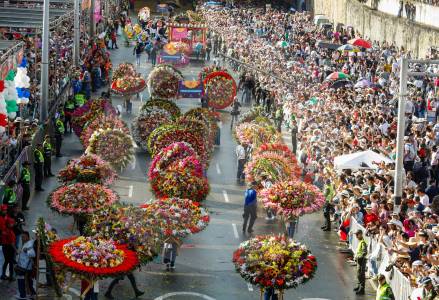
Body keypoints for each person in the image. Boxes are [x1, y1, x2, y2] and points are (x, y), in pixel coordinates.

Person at [15, 231, 36, 300]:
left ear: (27, 236)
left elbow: (32, 254)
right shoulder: (27, 243)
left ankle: (23, 295)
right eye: (21, 237)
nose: (22, 238)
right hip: (24, 265)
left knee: (21, 280)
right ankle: (31, 293)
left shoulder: (29, 244)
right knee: (29, 280)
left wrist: (26, 250)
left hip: (25, 266)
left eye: (23, 237)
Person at [1, 211, 16, 281]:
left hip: (4, 247)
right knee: (10, 262)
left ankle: (3, 274)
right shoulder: (10, 232)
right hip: (9, 248)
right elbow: (12, 243)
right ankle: (10, 276)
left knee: (6, 261)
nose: (13, 224)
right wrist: (16, 250)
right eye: (11, 223)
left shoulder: (4, 230)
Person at [353, 229, 367, 295]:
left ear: (360, 234)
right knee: (358, 274)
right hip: (359, 261)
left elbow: (364, 252)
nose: (356, 236)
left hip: (362, 261)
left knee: (361, 275)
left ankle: (362, 289)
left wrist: (359, 257)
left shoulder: (363, 242)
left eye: (357, 234)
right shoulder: (360, 241)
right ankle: (359, 286)